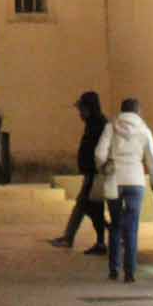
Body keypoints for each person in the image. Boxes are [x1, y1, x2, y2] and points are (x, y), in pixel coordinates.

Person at [94, 97, 153, 285]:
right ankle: (130, 272)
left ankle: (113, 269)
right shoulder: (144, 131)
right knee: (131, 228)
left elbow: (99, 153)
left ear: (121, 111)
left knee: (116, 225)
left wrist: (104, 166)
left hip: (114, 180)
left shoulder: (110, 127)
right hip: (135, 181)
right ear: (138, 111)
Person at [49, 91, 109, 254]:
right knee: (85, 205)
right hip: (90, 173)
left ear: (88, 108)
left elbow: (99, 152)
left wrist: (94, 169)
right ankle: (70, 237)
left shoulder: (99, 124)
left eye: (81, 109)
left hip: (95, 174)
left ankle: (105, 236)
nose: (79, 113)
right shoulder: (93, 123)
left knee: (87, 205)